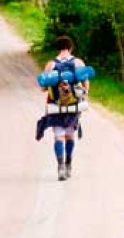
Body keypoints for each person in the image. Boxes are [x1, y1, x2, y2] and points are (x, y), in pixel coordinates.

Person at [41, 35, 88, 181]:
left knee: (58, 136)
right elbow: (85, 84)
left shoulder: (50, 65)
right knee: (69, 135)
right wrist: (84, 96)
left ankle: (60, 166)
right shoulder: (78, 62)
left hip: (55, 104)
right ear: (71, 47)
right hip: (73, 104)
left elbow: (43, 87)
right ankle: (69, 164)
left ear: (58, 48)